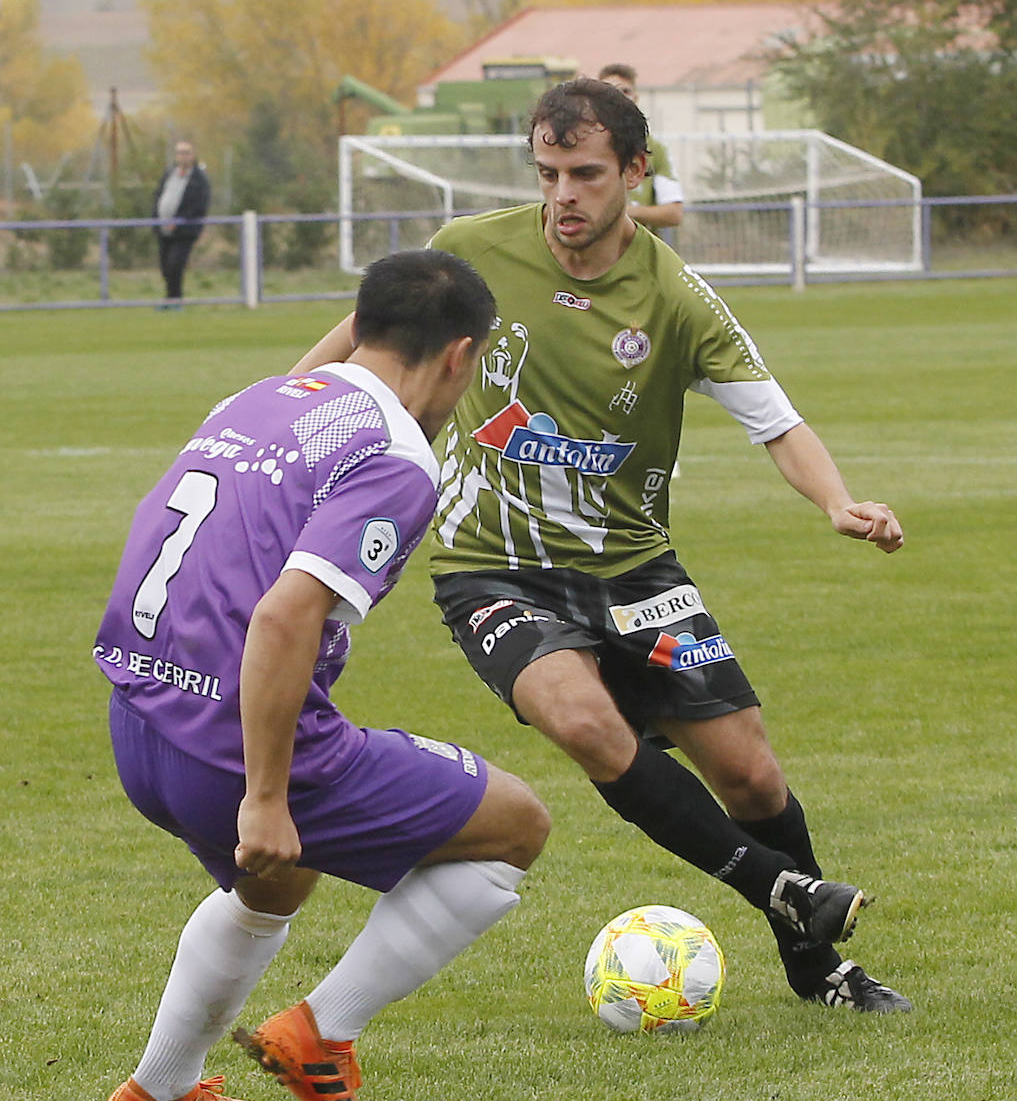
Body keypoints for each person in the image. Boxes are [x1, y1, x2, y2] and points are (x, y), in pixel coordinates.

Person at [292, 79, 911, 1015]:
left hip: (633, 566)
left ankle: (809, 954)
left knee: (747, 770)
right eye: (547, 173)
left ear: (633, 172)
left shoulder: (674, 297)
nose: (561, 196)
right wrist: (269, 418)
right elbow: (354, 344)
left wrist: (835, 502)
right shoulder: (469, 253)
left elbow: (774, 421)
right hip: (490, 568)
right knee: (582, 723)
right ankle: (787, 899)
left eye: (584, 174)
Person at [93, 249, 550, 1101]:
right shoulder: (396, 459)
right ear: (458, 356)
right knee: (515, 826)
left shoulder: (263, 398)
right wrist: (265, 796)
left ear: (362, 325)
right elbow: (282, 621)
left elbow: (336, 364)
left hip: (138, 718)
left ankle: (159, 1094)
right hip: (229, 743)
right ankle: (321, 1033)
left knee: (281, 879)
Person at [597, 63, 683, 234]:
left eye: (625, 92)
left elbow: (674, 213)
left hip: (637, 251)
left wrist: (625, 212)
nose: (618, 98)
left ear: (635, 97)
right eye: (609, 92)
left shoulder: (655, 149)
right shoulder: (582, 144)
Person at [152, 139, 211, 310]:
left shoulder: (199, 179)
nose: (182, 156)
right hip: (163, 230)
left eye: (186, 153)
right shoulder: (170, 174)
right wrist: (156, 218)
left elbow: (199, 205)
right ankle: (170, 299)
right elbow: (158, 195)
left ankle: (176, 301)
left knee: (175, 264)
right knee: (165, 266)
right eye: (179, 153)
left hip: (184, 231)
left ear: (193, 155)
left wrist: (178, 221)